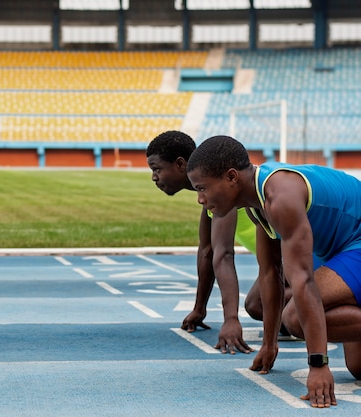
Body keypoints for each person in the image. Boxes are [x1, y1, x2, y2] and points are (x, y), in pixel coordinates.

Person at [186, 135, 361, 408]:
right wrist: (269, 345)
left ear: (231, 177)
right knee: (358, 368)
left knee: (294, 318)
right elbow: (270, 273)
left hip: (356, 241)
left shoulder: (280, 197)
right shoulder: (258, 203)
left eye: (202, 188)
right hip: (341, 247)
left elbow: (302, 282)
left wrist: (318, 364)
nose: (200, 199)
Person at [146, 130, 256, 354]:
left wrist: (231, 319)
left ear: (179, 164)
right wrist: (199, 308)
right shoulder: (208, 194)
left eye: (157, 169)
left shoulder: (221, 189)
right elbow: (207, 250)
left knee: (261, 307)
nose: (154, 177)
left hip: (299, 260)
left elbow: (224, 254)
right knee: (260, 306)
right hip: (281, 263)